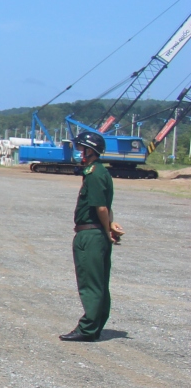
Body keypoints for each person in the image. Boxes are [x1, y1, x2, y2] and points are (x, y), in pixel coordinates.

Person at [62, 131, 122, 342]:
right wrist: (110, 225)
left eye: (82, 150)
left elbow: (101, 207)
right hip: (95, 232)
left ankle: (87, 329)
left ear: (91, 151)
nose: (79, 153)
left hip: (90, 234)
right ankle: (94, 327)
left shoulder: (94, 174)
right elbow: (105, 206)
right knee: (99, 282)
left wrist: (107, 230)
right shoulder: (101, 172)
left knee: (90, 283)